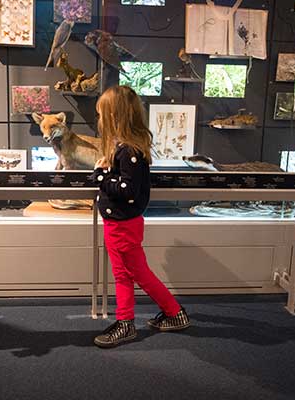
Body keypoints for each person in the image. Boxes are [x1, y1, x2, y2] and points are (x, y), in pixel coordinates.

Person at [91, 86, 190, 348]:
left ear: (115, 117)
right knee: (129, 273)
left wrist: (101, 177)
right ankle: (153, 316)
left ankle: (147, 318)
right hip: (120, 224)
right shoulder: (127, 150)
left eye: (102, 115)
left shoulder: (128, 152)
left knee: (132, 274)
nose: (100, 121)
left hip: (122, 226)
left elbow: (127, 190)